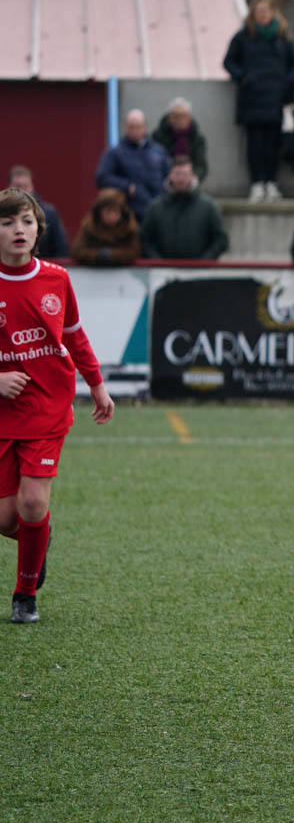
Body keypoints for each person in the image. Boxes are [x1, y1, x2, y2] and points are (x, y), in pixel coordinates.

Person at [0, 187, 115, 623]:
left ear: (38, 229)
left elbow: (74, 336)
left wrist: (98, 385)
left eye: (27, 222)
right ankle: (38, 538)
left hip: (48, 405)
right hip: (2, 412)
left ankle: (24, 595)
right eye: (8, 222)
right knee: (6, 516)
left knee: (32, 503)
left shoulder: (56, 278)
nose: (18, 230)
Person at [222, 0, 294, 203]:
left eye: (265, 11)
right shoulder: (243, 36)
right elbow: (229, 62)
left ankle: (271, 184)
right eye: (258, 12)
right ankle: (256, 184)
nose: (262, 16)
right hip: (252, 100)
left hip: (276, 100)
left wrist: (286, 84)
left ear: (273, 13)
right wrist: (243, 78)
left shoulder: (283, 38)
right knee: (254, 144)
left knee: (273, 145)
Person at [139, 157, 229, 261]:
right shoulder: (155, 208)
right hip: (162, 273)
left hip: (200, 272)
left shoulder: (208, 207)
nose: (181, 179)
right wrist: (157, 262)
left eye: (185, 174)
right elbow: (145, 240)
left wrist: (205, 261)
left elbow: (221, 240)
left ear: (192, 176)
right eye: (177, 174)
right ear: (170, 176)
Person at [95, 109, 170, 222]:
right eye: (131, 127)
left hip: (159, 213)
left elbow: (169, 176)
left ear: (144, 127)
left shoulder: (158, 151)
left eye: (138, 127)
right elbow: (102, 177)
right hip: (130, 215)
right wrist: (127, 186)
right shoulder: (115, 153)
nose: (134, 130)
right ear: (125, 127)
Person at [7, 167, 68, 259]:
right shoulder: (2, 211)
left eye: (25, 186)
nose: (22, 190)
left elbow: (60, 246)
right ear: (10, 187)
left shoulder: (48, 213)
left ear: (32, 187)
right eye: (18, 186)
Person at [70, 189, 141, 266]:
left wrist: (113, 255)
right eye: (108, 211)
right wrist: (97, 255)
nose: (112, 216)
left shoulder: (128, 229)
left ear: (122, 212)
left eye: (116, 211)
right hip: (93, 274)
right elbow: (77, 251)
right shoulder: (90, 228)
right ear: (99, 212)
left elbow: (135, 252)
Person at [152, 98, 210, 185]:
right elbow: (153, 163)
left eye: (183, 116)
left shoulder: (198, 139)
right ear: (169, 118)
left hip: (189, 181)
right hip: (163, 180)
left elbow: (201, 166)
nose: (179, 120)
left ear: (189, 118)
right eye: (175, 116)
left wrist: (193, 179)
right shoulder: (157, 136)